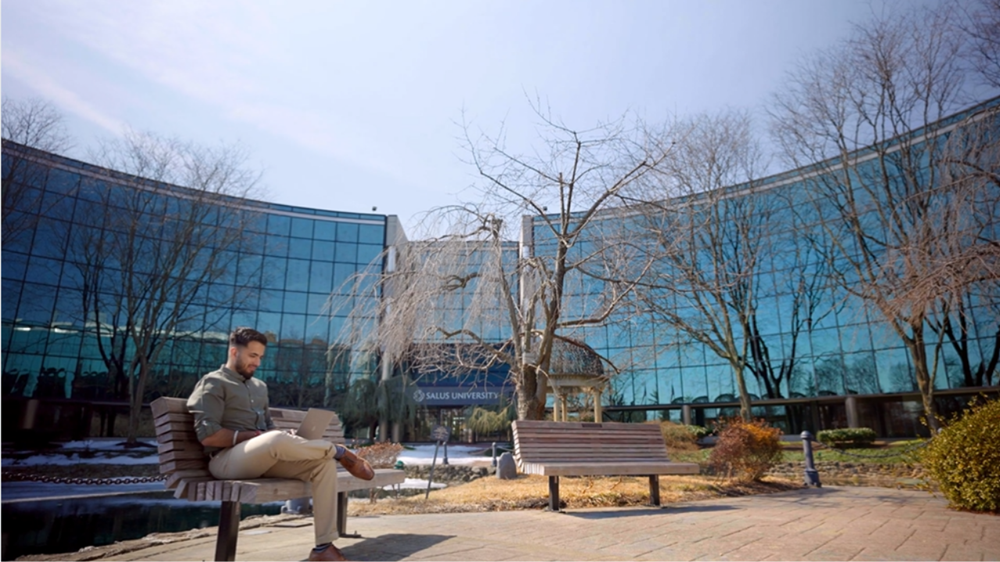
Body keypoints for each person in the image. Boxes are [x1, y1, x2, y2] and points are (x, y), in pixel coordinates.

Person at [187, 327, 373, 562]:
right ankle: (338, 451)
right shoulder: (212, 383)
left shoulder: (259, 387)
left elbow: (267, 428)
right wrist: (261, 437)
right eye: (252, 356)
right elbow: (209, 436)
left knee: (322, 466)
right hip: (225, 461)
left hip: (262, 458)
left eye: (261, 357)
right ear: (234, 352)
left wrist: (285, 435)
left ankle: (323, 548)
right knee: (277, 440)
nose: (257, 362)